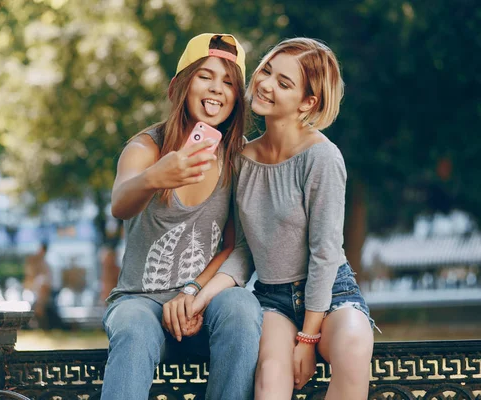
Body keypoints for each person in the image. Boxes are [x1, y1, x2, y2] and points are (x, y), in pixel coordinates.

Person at [101, 33, 262, 400]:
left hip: (204, 303)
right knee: (132, 326)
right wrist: (155, 177)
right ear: (180, 86)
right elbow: (120, 203)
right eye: (206, 76)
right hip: (140, 302)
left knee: (241, 307)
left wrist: (195, 293)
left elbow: (235, 246)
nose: (217, 89)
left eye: (229, 82)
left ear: (237, 98)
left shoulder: (237, 162)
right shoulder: (146, 147)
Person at [234, 38, 377, 399]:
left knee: (355, 347)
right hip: (271, 298)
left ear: (308, 102)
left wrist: (308, 338)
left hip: (332, 293)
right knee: (270, 378)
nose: (266, 84)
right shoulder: (240, 160)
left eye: (284, 83)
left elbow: (326, 251)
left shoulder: (322, 157)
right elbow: (240, 248)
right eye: (266, 70)